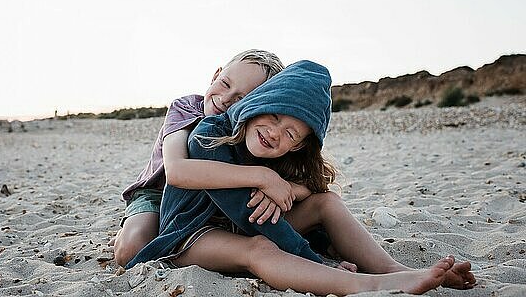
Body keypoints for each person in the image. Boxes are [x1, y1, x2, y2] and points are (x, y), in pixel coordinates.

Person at [127, 60, 476, 295]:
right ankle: (370, 286)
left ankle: (391, 267)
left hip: (236, 223)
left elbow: (315, 184)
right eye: (274, 115)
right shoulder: (207, 135)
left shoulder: (269, 148)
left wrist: (289, 187)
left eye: (292, 134)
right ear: (259, 105)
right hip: (190, 234)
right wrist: (317, 261)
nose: (275, 133)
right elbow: (251, 219)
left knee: (326, 202)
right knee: (259, 248)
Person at [112, 49, 286, 266]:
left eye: (241, 99)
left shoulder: (251, 129)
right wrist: (262, 177)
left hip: (210, 200)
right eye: (225, 83)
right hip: (156, 193)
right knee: (132, 251)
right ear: (216, 75)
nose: (225, 99)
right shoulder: (185, 108)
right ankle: (129, 230)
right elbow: (176, 171)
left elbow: (305, 181)